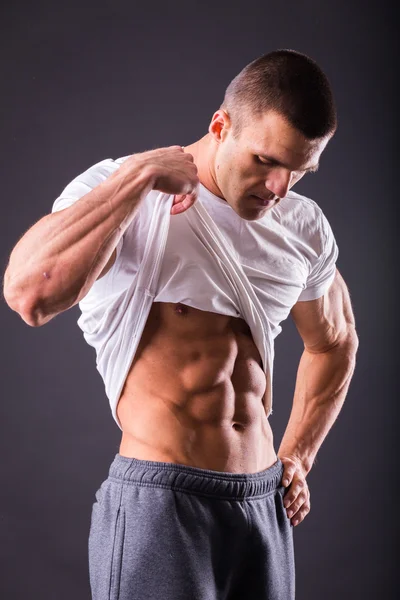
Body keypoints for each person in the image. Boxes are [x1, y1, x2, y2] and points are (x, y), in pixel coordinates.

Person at [3, 49, 359, 599]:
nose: (278, 187)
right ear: (220, 126)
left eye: (299, 170)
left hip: (264, 505)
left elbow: (335, 341)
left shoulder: (302, 224)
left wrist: (298, 456)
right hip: (164, 503)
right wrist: (138, 176)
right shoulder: (125, 190)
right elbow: (31, 295)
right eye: (266, 160)